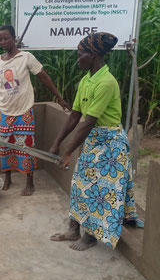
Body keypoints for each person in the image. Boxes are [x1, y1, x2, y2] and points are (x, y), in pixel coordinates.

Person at [48, 32, 137, 251]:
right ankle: (73, 229)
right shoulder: (86, 80)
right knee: (79, 185)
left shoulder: (106, 82)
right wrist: (56, 143)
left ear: (93, 55)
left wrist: (68, 151)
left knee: (98, 192)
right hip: (94, 140)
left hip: (110, 144)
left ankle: (90, 236)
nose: (78, 59)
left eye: (80, 55)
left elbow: (88, 123)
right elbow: (75, 115)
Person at [0, 24, 70, 196]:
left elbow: (44, 77)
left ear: (14, 38)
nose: (3, 41)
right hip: (5, 111)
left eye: (6, 38)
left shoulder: (26, 57)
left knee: (27, 147)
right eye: (0, 39)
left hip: (24, 111)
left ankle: (30, 183)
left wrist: (60, 98)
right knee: (5, 147)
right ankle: (8, 178)